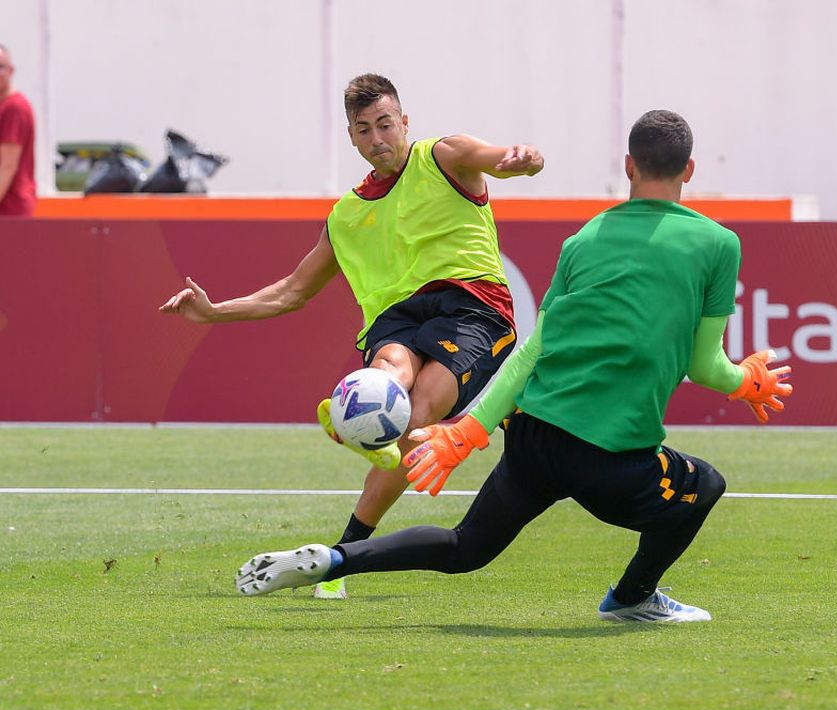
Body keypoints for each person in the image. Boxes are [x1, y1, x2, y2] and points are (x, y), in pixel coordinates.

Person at [235, 110, 793, 622]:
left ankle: (334, 560)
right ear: (690, 169)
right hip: (613, 457)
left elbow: (532, 351)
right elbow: (705, 366)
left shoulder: (584, 239)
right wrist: (747, 381)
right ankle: (632, 598)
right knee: (707, 485)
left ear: (628, 166)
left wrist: (466, 434)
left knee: (464, 548)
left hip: (533, 437)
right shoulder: (720, 244)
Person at [162, 73, 543, 599]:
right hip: (397, 320)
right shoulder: (345, 215)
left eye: (385, 125)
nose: (377, 139)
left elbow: (500, 156)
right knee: (390, 369)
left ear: (404, 122)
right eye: (363, 130)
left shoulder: (444, 157)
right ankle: (360, 469)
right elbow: (291, 292)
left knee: (418, 413)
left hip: (470, 306)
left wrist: (522, 158)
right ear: (351, 136)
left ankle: (361, 462)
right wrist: (212, 313)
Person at [0, 44, 36, 217]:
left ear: (11, 70)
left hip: (10, 209)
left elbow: (7, 165)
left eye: (1, 67)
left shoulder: (14, 108)